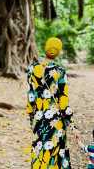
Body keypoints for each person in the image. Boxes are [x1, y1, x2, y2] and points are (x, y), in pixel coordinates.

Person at [26, 37, 75, 169]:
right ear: (58, 52)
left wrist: (32, 117)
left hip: (38, 118)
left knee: (39, 150)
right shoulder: (60, 72)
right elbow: (63, 101)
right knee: (55, 152)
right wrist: (72, 124)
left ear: (45, 49)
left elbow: (31, 96)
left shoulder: (32, 69)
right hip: (56, 121)